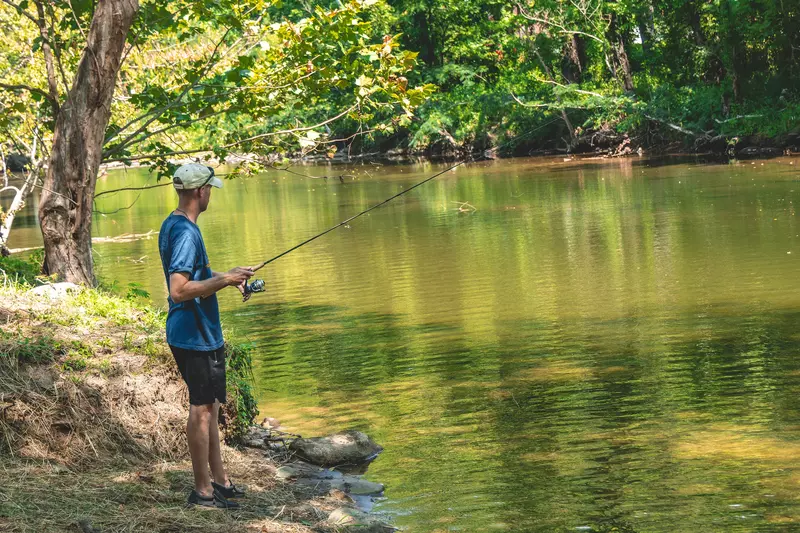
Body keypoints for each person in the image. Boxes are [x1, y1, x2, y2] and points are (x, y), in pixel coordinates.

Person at [157, 163, 254, 509]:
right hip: (192, 333)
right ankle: (202, 492)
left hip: (200, 332)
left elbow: (194, 271)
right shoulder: (185, 232)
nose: (211, 193)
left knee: (210, 407)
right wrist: (225, 281)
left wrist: (226, 276)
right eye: (210, 188)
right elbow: (180, 289)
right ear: (200, 192)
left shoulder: (175, 223)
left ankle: (220, 481)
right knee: (200, 411)